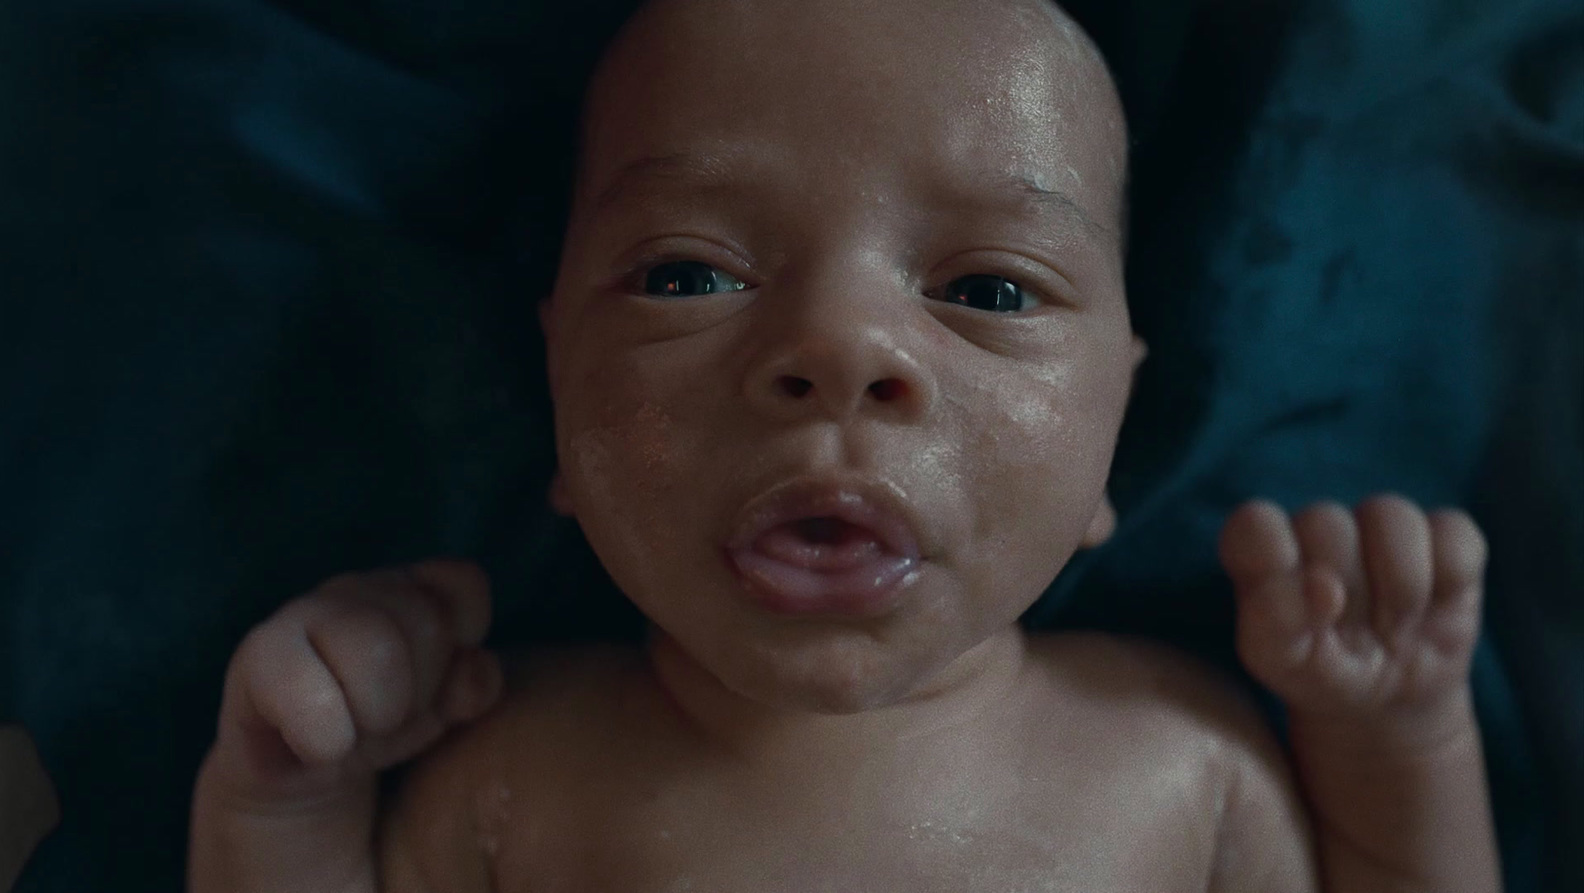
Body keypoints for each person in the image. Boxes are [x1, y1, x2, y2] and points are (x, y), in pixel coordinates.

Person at [188, 0, 1503, 889]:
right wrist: (288, 804)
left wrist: (1396, 746)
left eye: (990, 291)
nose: (842, 343)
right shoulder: (501, 768)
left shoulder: (1180, 760)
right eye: (688, 274)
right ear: (557, 399)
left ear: (1115, 440)